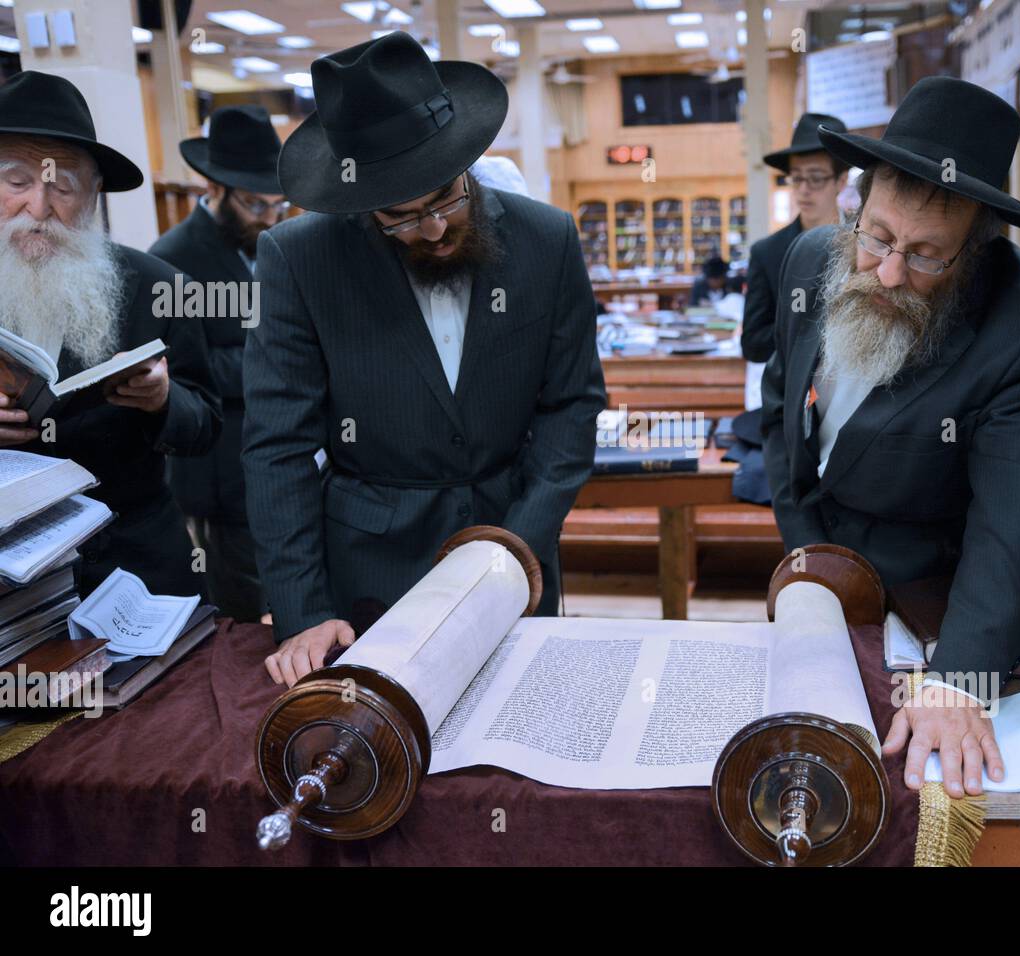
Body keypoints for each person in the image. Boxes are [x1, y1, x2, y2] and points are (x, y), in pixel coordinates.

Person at [761, 77, 1020, 798]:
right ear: (857, 203)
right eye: (875, 236)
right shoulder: (810, 256)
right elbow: (782, 411)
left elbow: (1009, 515)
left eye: (925, 255)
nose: (886, 271)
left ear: (974, 250)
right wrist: (810, 558)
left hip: (931, 603)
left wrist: (960, 682)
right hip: (817, 577)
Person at [244, 33, 606, 686]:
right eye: (402, 217)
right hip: (372, 574)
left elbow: (572, 404)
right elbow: (278, 447)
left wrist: (514, 544)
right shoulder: (299, 259)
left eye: (446, 197)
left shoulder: (546, 241)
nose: (435, 228)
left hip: (515, 546)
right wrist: (302, 610)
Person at [0, 71, 220, 598]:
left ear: (95, 194)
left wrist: (164, 400)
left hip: (135, 567)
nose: (39, 206)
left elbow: (206, 424)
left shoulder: (161, 286)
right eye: (17, 181)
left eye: (63, 185)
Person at [150, 105, 288, 622]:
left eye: (280, 205)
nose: (270, 217)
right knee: (242, 605)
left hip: (285, 453)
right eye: (256, 204)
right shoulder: (173, 258)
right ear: (215, 187)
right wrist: (280, 359)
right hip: (223, 466)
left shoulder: (274, 242)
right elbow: (182, 367)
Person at [740, 112, 849, 364]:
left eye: (816, 178)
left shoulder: (868, 242)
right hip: (793, 392)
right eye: (797, 178)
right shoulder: (767, 252)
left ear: (841, 181)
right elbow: (753, 344)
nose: (803, 190)